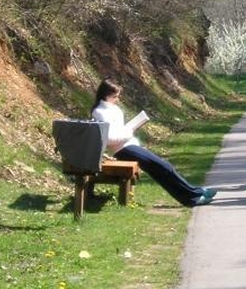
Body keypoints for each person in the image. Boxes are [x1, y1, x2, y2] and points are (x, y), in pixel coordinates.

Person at [90, 79, 216, 207]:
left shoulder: (113, 108)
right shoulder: (100, 112)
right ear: (105, 95)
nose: (117, 99)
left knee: (163, 168)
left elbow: (119, 130)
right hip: (121, 150)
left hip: (129, 146)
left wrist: (128, 130)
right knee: (164, 167)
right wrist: (128, 132)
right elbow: (109, 138)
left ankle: (194, 193)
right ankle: (193, 197)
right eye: (114, 96)